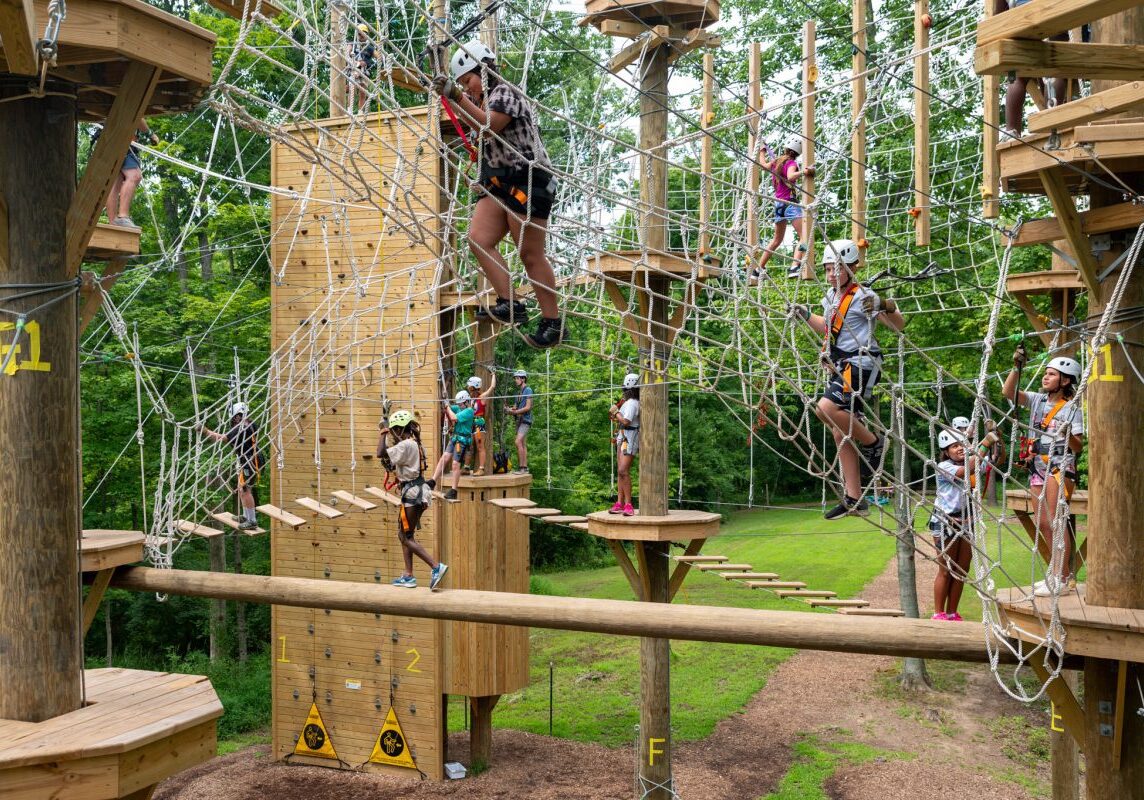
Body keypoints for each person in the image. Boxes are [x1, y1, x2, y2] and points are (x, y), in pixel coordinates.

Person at [431, 41, 563, 348]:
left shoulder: (505, 93)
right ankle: (510, 301)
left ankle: (552, 321)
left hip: (528, 179)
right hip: (500, 184)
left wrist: (457, 96)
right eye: (464, 84)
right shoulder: (483, 101)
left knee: (529, 254)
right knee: (477, 238)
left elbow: (488, 126)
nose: (469, 88)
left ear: (484, 70)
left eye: (469, 81)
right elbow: (484, 137)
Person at [790, 239, 906, 519]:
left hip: (862, 362)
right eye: (828, 269)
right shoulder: (830, 298)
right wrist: (806, 314)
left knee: (825, 409)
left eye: (837, 269)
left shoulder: (863, 295)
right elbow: (830, 330)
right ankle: (855, 498)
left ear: (852, 267)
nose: (831, 275)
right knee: (838, 430)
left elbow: (899, 326)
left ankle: (873, 443)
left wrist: (884, 304)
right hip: (842, 364)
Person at [1002, 346, 1084, 596]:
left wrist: (1067, 432)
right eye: (1045, 373)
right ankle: (1055, 572)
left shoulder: (1071, 408)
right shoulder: (1037, 400)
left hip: (1059, 466)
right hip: (1037, 466)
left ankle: (1061, 577)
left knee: (1057, 521)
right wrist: (1017, 367)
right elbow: (1008, 392)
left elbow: (1078, 446)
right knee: (1042, 522)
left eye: (1051, 374)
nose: (1045, 377)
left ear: (1065, 380)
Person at [930, 428, 998, 621]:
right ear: (946, 450)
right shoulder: (944, 466)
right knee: (946, 570)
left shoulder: (972, 464)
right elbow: (963, 470)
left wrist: (996, 443)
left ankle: (952, 612)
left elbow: (993, 462)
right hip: (945, 522)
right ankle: (938, 612)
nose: (959, 448)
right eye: (954, 446)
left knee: (961, 570)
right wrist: (984, 443)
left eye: (961, 444)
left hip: (967, 523)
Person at [376, 409, 447, 589]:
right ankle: (408, 575)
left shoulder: (406, 445)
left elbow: (380, 452)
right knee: (406, 534)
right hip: (418, 491)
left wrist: (382, 432)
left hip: (413, 494)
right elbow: (394, 462)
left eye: (394, 430)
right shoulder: (415, 443)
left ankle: (436, 566)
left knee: (404, 536)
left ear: (399, 429)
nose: (392, 433)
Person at [994, 0, 1068, 137]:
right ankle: (1051, 125)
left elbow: (998, 13)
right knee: (1055, 69)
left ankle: (1011, 131)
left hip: (1020, 19)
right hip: (1049, 10)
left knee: (1017, 77)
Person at [752, 140, 814, 282]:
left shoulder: (777, 162)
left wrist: (762, 151)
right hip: (790, 204)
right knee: (804, 236)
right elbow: (791, 176)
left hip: (779, 205)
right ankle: (794, 266)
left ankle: (758, 269)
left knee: (776, 240)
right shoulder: (791, 163)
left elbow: (763, 166)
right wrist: (805, 172)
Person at [199, 402, 263, 531]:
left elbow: (222, 438)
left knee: (245, 490)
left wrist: (206, 432)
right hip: (250, 459)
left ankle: (252, 520)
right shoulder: (250, 423)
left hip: (249, 461)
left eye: (234, 417)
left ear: (237, 416)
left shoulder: (240, 428)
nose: (233, 419)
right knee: (241, 488)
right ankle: (246, 516)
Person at [103, 120, 158, 228]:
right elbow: (137, 116)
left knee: (116, 182)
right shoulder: (129, 103)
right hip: (123, 144)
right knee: (135, 175)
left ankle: (113, 221)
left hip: (111, 141)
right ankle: (123, 216)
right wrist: (151, 134)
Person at [430, 390, 477, 500]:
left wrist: (447, 407)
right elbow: (448, 409)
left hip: (462, 440)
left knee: (455, 464)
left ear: (466, 402)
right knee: (444, 458)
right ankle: (432, 481)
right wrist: (445, 400)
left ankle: (454, 490)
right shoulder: (459, 408)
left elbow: (453, 418)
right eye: (459, 404)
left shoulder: (470, 411)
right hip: (455, 437)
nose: (459, 406)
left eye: (461, 404)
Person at [608, 373, 640, 516]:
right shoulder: (628, 402)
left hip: (630, 437)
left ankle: (628, 504)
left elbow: (626, 421)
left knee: (623, 471)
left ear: (629, 389)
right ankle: (620, 502)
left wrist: (616, 413)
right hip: (623, 436)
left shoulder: (633, 403)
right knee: (620, 472)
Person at [463, 372, 497, 476]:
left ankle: (481, 469)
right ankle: (466, 468)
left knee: (480, 446)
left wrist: (493, 375)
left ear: (474, 386)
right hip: (471, 424)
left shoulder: (482, 397)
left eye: (470, 386)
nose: (468, 387)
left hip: (479, 424)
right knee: (469, 446)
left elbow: (492, 387)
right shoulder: (470, 398)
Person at [504, 368, 532, 473]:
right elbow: (515, 407)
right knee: (523, 443)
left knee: (518, 441)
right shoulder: (518, 393)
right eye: (515, 378)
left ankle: (522, 468)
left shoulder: (528, 390)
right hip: (520, 420)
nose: (516, 380)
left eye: (517, 378)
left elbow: (528, 407)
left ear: (523, 379)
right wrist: (509, 410)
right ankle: (525, 467)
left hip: (525, 420)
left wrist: (515, 412)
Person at [350, 23, 376, 114]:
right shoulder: (353, 45)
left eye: (363, 34)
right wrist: (355, 63)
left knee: (362, 92)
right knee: (352, 90)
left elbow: (378, 57)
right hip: (354, 69)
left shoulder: (369, 48)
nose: (361, 36)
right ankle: (349, 110)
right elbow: (346, 54)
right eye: (359, 34)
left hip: (365, 72)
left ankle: (360, 111)